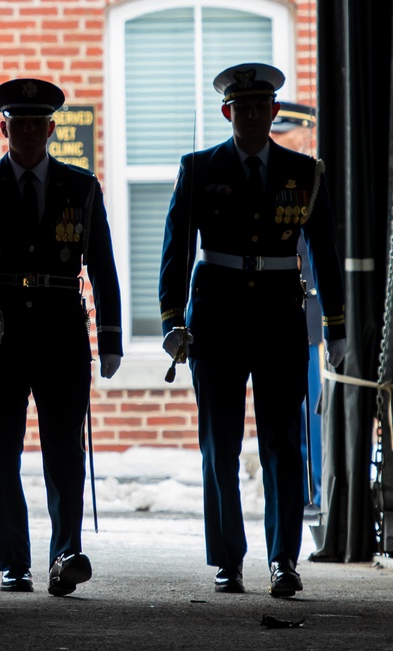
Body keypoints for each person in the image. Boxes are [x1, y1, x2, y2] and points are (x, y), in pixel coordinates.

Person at [158, 64, 346, 598]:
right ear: (228, 113)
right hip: (215, 315)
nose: (252, 116)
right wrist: (172, 321)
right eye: (242, 108)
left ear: (275, 113)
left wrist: (336, 324)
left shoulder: (303, 172)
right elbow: (175, 252)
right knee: (219, 442)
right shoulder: (198, 169)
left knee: (283, 443)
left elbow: (325, 253)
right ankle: (228, 560)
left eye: (261, 107)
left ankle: (284, 559)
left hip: (279, 314)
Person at [0, 79, 122, 597]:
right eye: (18, 123)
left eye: (37, 123)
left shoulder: (81, 187)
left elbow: (102, 264)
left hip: (59, 331)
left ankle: (65, 553)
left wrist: (111, 336)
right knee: (0, 450)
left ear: (52, 129)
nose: (28, 132)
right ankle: (13, 561)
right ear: (3, 127)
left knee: (64, 450)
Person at [270, 102, 323, 510]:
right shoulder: (280, 183)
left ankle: (317, 488)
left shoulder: (308, 180)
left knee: (315, 414)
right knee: (292, 419)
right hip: (286, 310)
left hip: (311, 318)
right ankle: (302, 491)